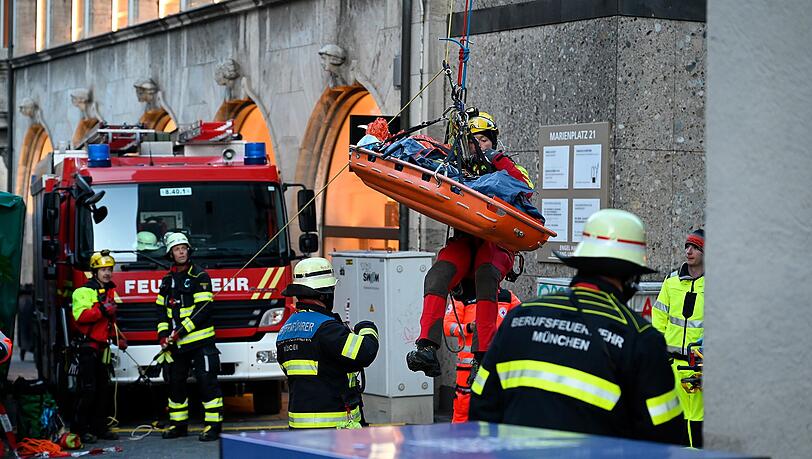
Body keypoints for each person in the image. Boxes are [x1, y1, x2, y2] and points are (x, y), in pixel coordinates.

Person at [469, 209, 688, 445]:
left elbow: (482, 404)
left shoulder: (519, 318)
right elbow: (665, 437)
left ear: (581, 264)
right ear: (631, 276)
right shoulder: (641, 339)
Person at [407, 111, 535, 378]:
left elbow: (525, 187)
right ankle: (426, 347)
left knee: (487, 274)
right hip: (466, 241)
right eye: (473, 140)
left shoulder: (505, 165)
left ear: (493, 141)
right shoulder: (456, 168)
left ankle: (483, 354)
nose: (479, 146)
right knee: (437, 275)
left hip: (497, 243)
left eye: (484, 140)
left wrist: (496, 161)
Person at [276, 257, 379, 429]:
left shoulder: (287, 329)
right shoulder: (326, 329)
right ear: (325, 294)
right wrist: (367, 328)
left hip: (299, 428)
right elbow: (365, 352)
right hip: (334, 430)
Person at [155, 233, 222, 441]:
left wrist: (181, 331)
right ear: (171, 254)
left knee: (206, 381)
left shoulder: (200, 276)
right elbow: (161, 311)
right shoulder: (167, 281)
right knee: (175, 383)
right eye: (177, 249)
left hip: (201, 342)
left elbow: (203, 310)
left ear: (189, 251)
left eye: (184, 248)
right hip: (176, 345)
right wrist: (163, 336)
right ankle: (178, 425)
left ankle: (213, 426)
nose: (181, 252)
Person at [652, 229, 705, 447]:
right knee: (676, 418)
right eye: (686, 246)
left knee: (700, 419)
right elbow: (659, 318)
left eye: (694, 247)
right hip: (673, 364)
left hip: (700, 366)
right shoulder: (671, 281)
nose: (688, 251)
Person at [443, 283, 521, 422]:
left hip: (497, 366)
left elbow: (521, 320)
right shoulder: (462, 297)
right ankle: (458, 440)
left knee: (494, 406)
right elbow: (447, 326)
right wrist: (468, 327)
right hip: (468, 367)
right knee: (463, 407)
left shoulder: (507, 297)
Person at [70, 250, 125, 444]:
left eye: (109, 269)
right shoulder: (83, 292)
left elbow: (109, 322)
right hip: (87, 347)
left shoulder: (108, 291)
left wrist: (119, 337)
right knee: (88, 389)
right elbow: (81, 317)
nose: (107, 273)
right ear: (94, 272)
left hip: (103, 347)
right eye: (103, 269)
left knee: (103, 389)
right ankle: (80, 429)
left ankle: (100, 428)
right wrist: (102, 309)